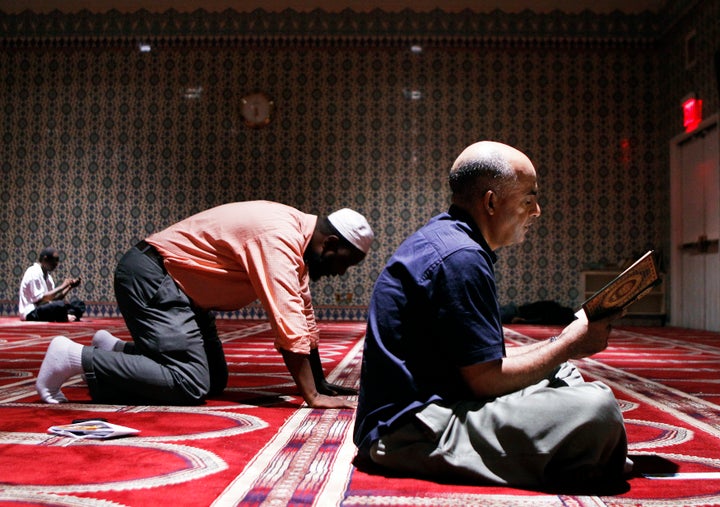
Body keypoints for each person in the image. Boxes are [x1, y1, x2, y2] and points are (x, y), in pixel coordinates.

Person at [353, 141, 629, 491]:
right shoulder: (461, 258)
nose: (537, 211)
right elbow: (486, 381)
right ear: (491, 202)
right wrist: (572, 341)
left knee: (563, 371)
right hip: (409, 430)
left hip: (438, 398)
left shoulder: (451, 240)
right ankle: (578, 450)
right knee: (597, 410)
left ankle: (570, 448)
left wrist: (563, 347)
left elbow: (479, 361)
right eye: (529, 199)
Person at [36, 200, 373, 408]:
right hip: (154, 276)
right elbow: (287, 321)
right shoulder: (280, 238)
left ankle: (117, 351)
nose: (340, 273)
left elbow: (304, 317)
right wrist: (312, 397)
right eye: (345, 263)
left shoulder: (296, 239)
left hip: (182, 294)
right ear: (329, 244)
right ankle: (73, 357)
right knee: (189, 381)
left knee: (213, 379)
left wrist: (321, 381)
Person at [19, 247, 84, 322]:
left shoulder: (48, 277)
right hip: (31, 312)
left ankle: (63, 315)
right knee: (60, 305)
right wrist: (63, 286)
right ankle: (64, 316)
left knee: (79, 305)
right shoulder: (33, 272)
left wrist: (69, 287)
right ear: (45, 259)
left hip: (43, 309)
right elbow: (41, 300)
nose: (56, 264)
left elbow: (52, 299)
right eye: (55, 260)